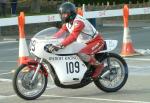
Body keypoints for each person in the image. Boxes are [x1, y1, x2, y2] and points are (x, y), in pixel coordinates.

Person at [45, 2, 105, 79]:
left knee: (82, 54)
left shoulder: (78, 22)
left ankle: (99, 66)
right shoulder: (68, 23)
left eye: (64, 14)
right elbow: (61, 32)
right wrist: (50, 40)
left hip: (95, 41)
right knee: (70, 52)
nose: (62, 16)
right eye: (61, 14)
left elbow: (73, 36)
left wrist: (60, 45)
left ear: (71, 13)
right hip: (84, 42)